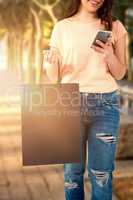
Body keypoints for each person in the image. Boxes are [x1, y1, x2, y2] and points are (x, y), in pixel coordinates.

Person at [43, 0, 128, 199]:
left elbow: (120, 73)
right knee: (72, 174)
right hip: (69, 102)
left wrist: (109, 55)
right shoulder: (62, 28)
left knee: (102, 174)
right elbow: (53, 76)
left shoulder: (115, 26)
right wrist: (51, 63)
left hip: (105, 105)